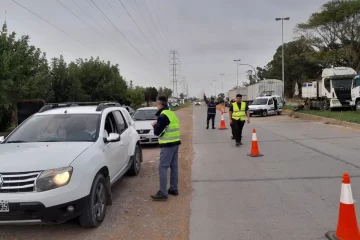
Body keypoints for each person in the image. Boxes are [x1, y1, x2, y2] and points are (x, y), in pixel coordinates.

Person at [151, 96, 181, 201]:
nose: (156, 106)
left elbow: (157, 132)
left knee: (163, 167)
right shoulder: (171, 113)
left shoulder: (163, 116)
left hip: (167, 144)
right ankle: (174, 188)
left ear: (160, 104)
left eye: (157, 104)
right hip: (175, 143)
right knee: (174, 167)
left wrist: (154, 125)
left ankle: (163, 193)